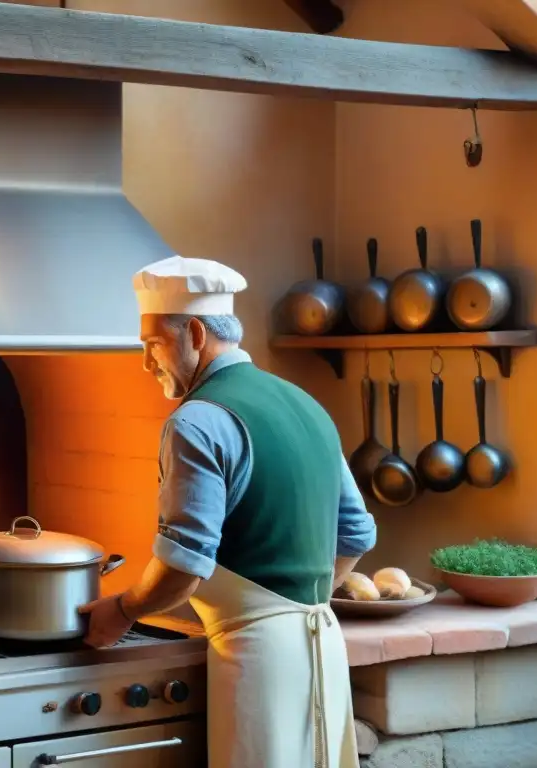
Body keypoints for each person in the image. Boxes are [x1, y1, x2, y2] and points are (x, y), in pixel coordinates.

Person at [78, 255, 377, 768]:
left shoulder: (196, 422)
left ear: (194, 332)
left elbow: (183, 567)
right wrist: (302, 601)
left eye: (152, 345)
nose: (146, 363)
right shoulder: (307, 405)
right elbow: (356, 535)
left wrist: (121, 611)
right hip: (323, 648)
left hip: (257, 659)